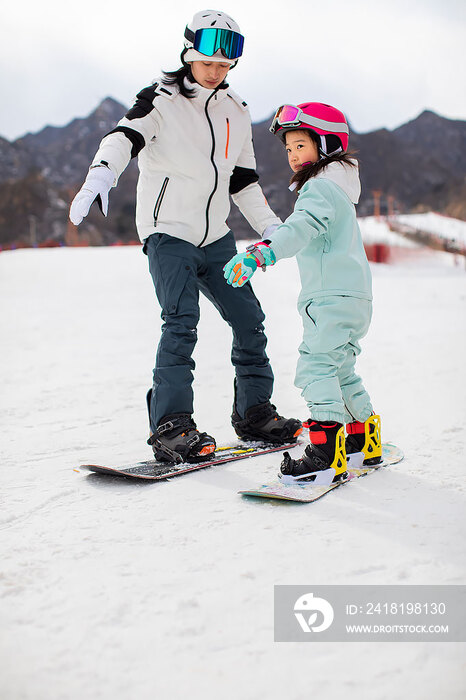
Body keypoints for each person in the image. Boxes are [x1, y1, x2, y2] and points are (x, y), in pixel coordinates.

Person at [69, 10, 301, 463]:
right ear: (189, 53)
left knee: (248, 319)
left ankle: (254, 413)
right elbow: (123, 137)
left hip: (216, 238)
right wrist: (101, 175)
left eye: (224, 66)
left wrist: (270, 225)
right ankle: (172, 427)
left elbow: (244, 180)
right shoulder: (161, 100)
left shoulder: (237, 110)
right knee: (181, 321)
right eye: (208, 63)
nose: (216, 73)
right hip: (168, 233)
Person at [224, 102, 382, 484]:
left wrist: (262, 253)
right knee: (341, 369)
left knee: (315, 368)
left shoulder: (319, 190)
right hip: (354, 298)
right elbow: (296, 229)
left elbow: (298, 230)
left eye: (301, 146)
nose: (293, 155)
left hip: (329, 299)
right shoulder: (339, 190)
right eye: (289, 148)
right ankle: (364, 438)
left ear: (326, 143)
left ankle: (326, 454)